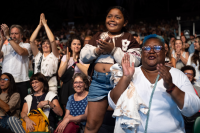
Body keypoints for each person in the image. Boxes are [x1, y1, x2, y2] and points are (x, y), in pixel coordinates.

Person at [108, 34, 200, 133]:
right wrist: (126, 78)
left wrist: (172, 87)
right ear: (142, 52)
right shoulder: (131, 72)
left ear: (165, 52)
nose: (151, 51)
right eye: (147, 48)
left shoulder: (177, 75)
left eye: (157, 48)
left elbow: (193, 108)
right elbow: (114, 104)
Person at [80, 6, 141, 132]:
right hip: (97, 82)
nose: (112, 19)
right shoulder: (98, 35)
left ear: (125, 22)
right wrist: (97, 50)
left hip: (120, 83)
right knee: (91, 126)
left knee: (124, 123)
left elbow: (135, 61)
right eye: (109, 16)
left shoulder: (129, 38)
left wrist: (113, 50)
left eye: (117, 17)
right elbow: (83, 57)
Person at [0, 24, 31, 111]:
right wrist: (2, 40)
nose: (13, 36)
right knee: (4, 108)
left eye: (16, 33)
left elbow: (20, 52)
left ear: (21, 35)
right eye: (12, 33)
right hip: (6, 82)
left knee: (20, 109)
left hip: (20, 82)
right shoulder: (5, 47)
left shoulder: (26, 45)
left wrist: (8, 37)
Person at [29, 13, 60, 94]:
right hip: (37, 85)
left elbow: (53, 40)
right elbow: (31, 41)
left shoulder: (54, 55)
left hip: (51, 85)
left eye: (47, 43)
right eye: (43, 43)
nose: (45, 45)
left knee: (50, 105)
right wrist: (39, 25)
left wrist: (45, 25)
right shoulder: (38, 55)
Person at [58, 35, 89, 108]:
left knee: (80, 107)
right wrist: (67, 61)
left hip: (80, 84)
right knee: (67, 107)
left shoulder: (85, 57)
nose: (76, 46)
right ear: (70, 46)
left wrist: (76, 61)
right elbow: (60, 74)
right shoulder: (65, 57)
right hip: (68, 85)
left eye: (79, 44)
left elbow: (86, 72)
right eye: (74, 44)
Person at [180, 65, 200, 133]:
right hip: (184, 116)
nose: (188, 76)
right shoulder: (177, 88)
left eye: (190, 74)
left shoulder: (197, 88)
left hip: (197, 116)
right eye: (186, 73)